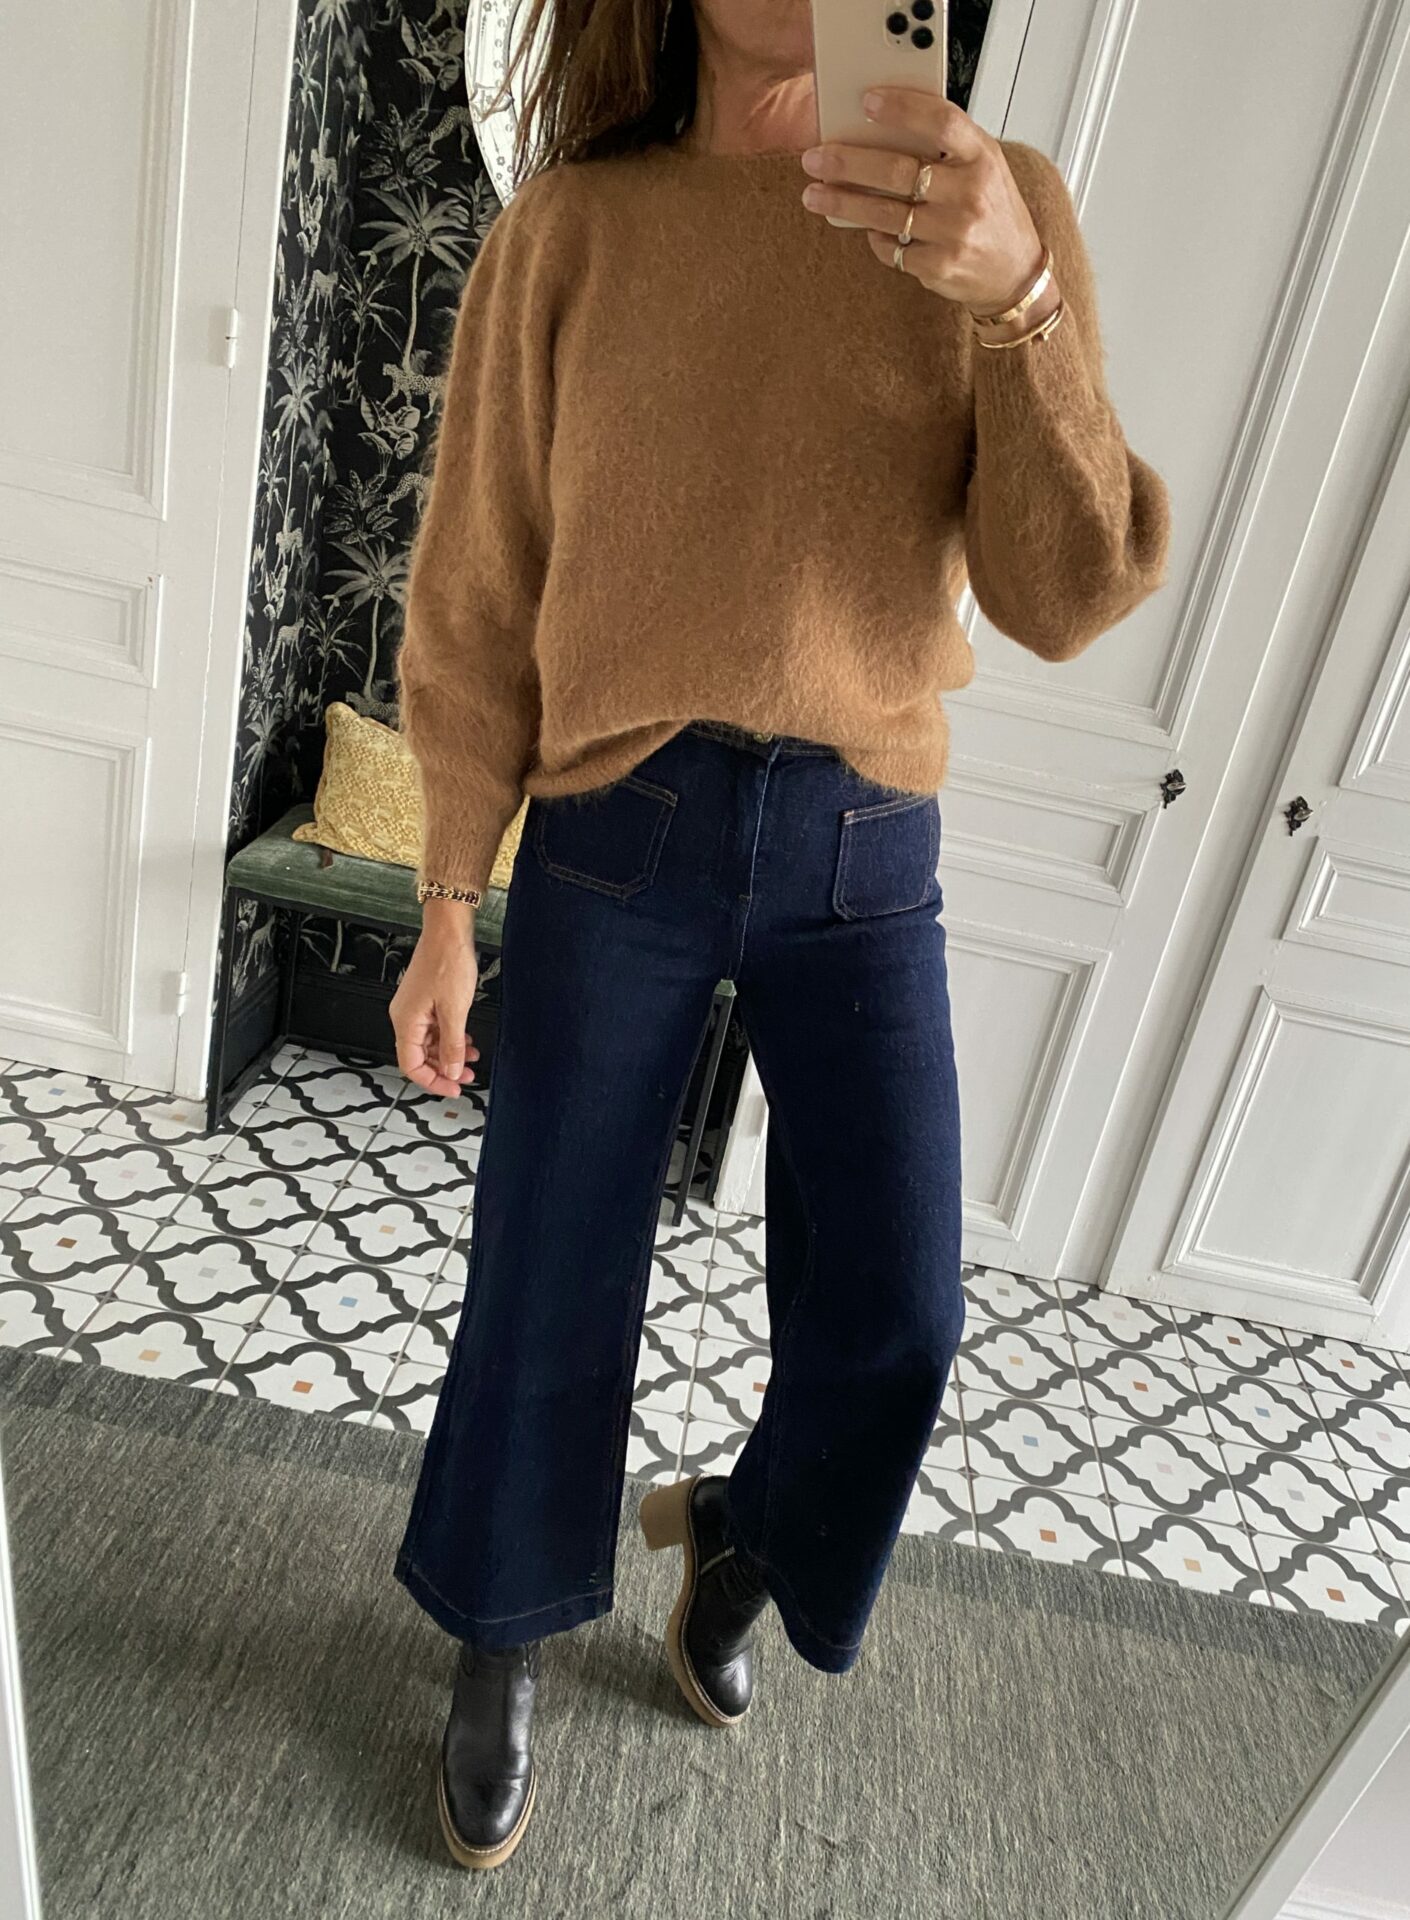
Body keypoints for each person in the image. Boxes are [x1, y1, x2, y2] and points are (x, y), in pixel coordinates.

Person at [388, 0, 1171, 1873]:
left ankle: (742, 1543)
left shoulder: (989, 204)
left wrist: (1020, 306)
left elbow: (1068, 596)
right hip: (619, 825)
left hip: (861, 838)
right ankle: (499, 1630)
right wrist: (445, 903)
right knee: (545, 1270)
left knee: (897, 1302)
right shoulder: (577, 226)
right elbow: (478, 581)